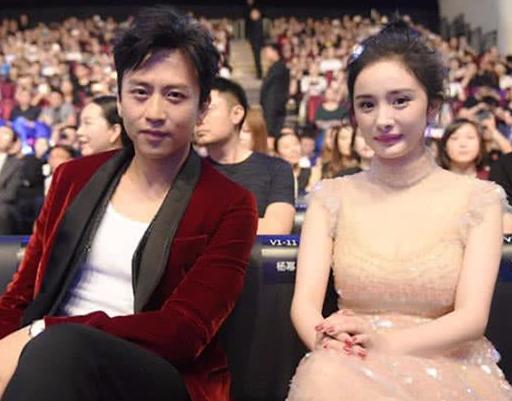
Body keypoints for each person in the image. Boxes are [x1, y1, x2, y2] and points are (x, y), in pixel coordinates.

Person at [0, 7, 258, 401]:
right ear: (119, 100)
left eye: (175, 96)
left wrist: (47, 330)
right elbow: (21, 295)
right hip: (47, 361)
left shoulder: (231, 204)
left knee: (61, 348)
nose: (154, 113)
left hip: (158, 371)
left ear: (202, 108)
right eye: (140, 92)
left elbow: (185, 331)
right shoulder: (73, 177)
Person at [287, 21, 512, 401]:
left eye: (401, 101)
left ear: (433, 106)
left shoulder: (478, 199)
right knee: (326, 376)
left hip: (449, 364)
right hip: (347, 364)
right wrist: (329, 343)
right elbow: (305, 305)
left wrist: (384, 343)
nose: (383, 120)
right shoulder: (331, 198)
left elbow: (472, 318)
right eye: (367, 105)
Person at [196, 77, 294, 234]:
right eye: (196, 110)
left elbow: (276, 228)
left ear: (236, 114)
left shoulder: (276, 169)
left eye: (207, 109)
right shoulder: (186, 173)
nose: (199, 118)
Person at [260, 41, 290, 145]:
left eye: (267, 51)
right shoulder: (275, 68)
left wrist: (270, 129)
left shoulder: (279, 69)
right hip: (271, 110)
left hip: (273, 112)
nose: (265, 55)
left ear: (274, 52)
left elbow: (274, 96)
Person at [0, 126, 23, 234]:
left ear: (12, 143)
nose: (0, 136)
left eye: (5, 134)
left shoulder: (16, 164)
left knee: (3, 211)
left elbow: (10, 194)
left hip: (3, 204)